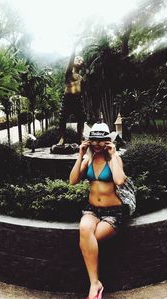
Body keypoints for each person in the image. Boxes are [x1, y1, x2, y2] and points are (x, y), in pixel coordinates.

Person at [69, 122, 129, 299]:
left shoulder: (114, 159)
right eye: (93, 140)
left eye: (101, 140)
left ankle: (94, 286)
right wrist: (80, 155)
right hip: (92, 210)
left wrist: (113, 154)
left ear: (108, 141)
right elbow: (73, 181)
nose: (96, 144)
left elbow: (119, 181)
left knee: (87, 241)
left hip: (114, 212)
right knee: (85, 229)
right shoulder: (88, 159)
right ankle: (95, 284)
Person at [57, 44, 86, 146]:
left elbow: (82, 89)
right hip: (68, 98)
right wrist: (74, 49)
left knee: (81, 118)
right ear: (73, 62)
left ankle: (79, 138)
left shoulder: (81, 77)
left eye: (81, 60)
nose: (79, 61)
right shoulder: (69, 73)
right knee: (62, 119)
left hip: (77, 99)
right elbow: (70, 61)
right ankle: (61, 139)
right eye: (77, 59)